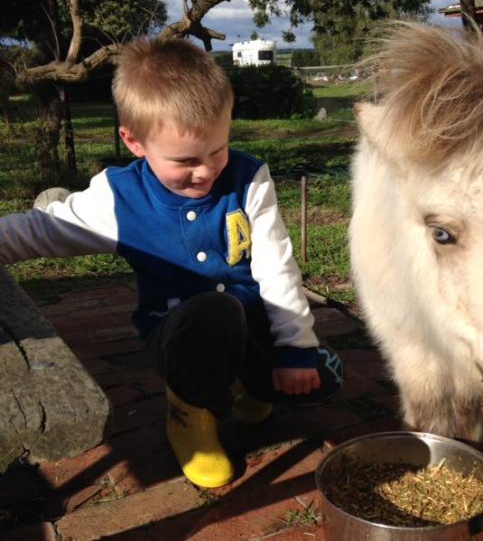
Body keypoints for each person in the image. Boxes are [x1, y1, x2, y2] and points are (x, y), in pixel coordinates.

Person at [0, 37, 344, 488]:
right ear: (134, 140)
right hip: (177, 333)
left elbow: (277, 267)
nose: (206, 170)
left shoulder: (248, 179)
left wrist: (294, 348)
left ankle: (254, 389)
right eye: (185, 160)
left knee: (321, 376)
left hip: (249, 323)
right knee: (212, 313)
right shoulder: (118, 197)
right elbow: (37, 231)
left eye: (218, 149)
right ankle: (190, 412)